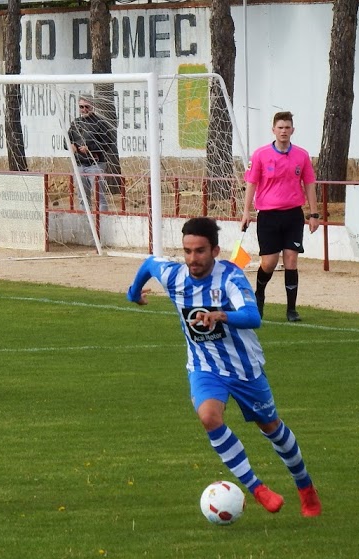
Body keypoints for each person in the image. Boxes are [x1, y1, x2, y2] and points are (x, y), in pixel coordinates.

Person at [127, 216, 321, 518]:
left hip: (244, 368)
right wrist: (133, 292)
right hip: (204, 366)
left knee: (272, 428)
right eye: (187, 251)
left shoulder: (230, 277)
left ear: (215, 251)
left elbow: (253, 317)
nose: (193, 258)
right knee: (208, 417)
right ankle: (258, 489)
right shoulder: (175, 276)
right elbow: (150, 264)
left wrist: (221, 315)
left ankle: (305, 487)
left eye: (200, 251)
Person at [241, 111, 319, 321]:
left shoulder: (302, 155)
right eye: (280, 127)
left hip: (293, 215)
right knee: (269, 263)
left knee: (291, 260)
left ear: (293, 130)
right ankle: (259, 294)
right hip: (268, 216)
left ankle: (291, 309)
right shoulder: (260, 155)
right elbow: (251, 183)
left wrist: (314, 213)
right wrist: (246, 211)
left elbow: (309, 184)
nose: (284, 131)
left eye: (287, 127)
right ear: (273, 130)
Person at [67, 94, 118, 212]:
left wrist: (90, 149)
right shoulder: (76, 123)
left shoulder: (100, 123)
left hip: (95, 164)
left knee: (99, 197)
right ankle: (85, 220)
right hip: (79, 165)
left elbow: (108, 143)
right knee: (82, 197)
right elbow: (67, 140)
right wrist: (70, 146)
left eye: (87, 107)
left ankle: (103, 219)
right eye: (81, 107)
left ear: (92, 106)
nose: (84, 109)